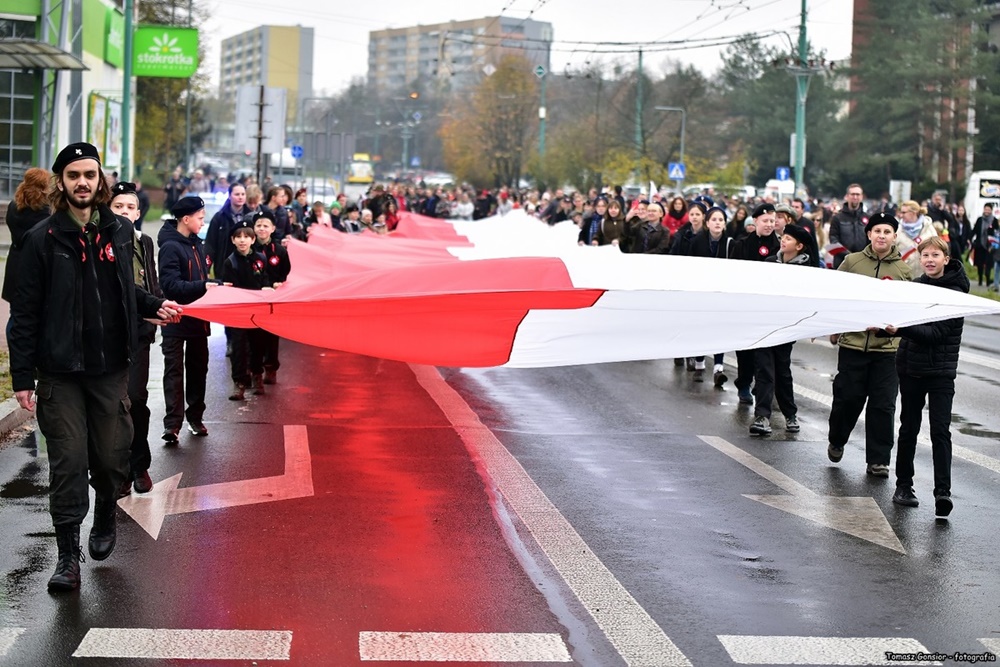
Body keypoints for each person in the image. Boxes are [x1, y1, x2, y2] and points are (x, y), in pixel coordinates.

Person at [9, 143, 180, 592]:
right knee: (67, 462)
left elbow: (127, 292)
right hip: (59, 372)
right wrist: (23, 377)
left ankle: (106, 505)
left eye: (89, 174)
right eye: (73, 175)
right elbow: (23, 313)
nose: (82, 182)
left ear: (100, 180)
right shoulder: (40, 239)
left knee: (110, 459)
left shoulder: (120, 233)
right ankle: (68, 556)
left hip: (108, 369)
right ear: (61, 183)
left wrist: (155, 304)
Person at [883, 237, 967, 517]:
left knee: (940, 431)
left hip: (941, 371)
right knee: (908, 428)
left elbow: (935, 335)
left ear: (946, 259)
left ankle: (943, 492)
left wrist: (900, 330)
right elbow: (899, 321)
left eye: (935, 255)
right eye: (925, 255)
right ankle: (903, 486)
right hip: (910, 368)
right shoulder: (916, 287)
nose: (929, 260)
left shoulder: (956, 293)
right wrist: (881, 327)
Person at [827, 212, 912, 476]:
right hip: (853, 345)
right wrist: (833, 326)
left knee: (883, 404)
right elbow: (836, 296)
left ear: (894, 236)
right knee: (848, 398)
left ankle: (878, 459)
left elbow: (909, 309)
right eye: (877, 231)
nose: (882, 236)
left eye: (887, 232)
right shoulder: (852, 262)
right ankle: (837, 439)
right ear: (869, 235)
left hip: (887, 351)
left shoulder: (904, 271)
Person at [110, 182, 162, 496]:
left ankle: (138, 464)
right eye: (118, 207)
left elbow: (151, 284)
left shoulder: (145, 242)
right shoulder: (101, 242)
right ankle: (117, 472)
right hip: (110, 335)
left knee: (137, 399)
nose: (125, 213)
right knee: (114, 405)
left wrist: (158, 312)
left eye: (130, 207)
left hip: (140, 334)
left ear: (138, 212)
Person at [157, 196, 222, 444]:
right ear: (186, 219)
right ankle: (172, 424)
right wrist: (205, 285)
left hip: (198, 320)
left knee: (198, 370)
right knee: (174, 372)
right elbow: (171, 286)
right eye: (200, 218)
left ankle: (195, 418)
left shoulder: (198, 245)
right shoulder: (170, 247)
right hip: (176, 319)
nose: (203, 222)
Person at [749, 224, 814, 435]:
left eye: (788, 238)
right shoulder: (769, 263)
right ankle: (762, 416)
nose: (782, 240)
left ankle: (790, 413)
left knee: (782, 371)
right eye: (782, 237)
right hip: (765, 324)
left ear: (800, 246)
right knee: (764, 369)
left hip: (787, 327)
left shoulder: (807, 269)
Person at [729, 203, 781, 404]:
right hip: (747, 306)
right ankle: (743, 383)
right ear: (756, 221)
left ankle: (762, 384)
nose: (769, 225)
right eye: (765, 221)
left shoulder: (779, 246)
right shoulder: (741, 245)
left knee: (766, 350)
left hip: (769, 307)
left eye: (772, 221)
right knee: (746, 349)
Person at [223, 220, 271, 399]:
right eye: (238, 237)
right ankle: (239, 382)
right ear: (233, 240)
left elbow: (264, 280)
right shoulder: (230, 262)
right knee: (239, 349)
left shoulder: (260, 259)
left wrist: (266, 288)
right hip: (238, 312)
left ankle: (257, 375)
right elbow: (229, 287)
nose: (242, 240)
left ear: (253, 239)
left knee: (258, 345)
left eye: (246, 237)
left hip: (256, 312)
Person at [685, 205, 732, 385]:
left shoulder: (729, 243)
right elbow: (690, 266)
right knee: (702, 328)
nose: (717, 223)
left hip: (721, 292)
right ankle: (699, 363)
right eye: (714, 219)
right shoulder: (697, 242)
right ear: (707, 223)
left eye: (721, 220)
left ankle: (719, 367)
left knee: (719, 329)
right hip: (702, 291)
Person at [3, 168, 51, 312]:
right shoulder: (46, 212)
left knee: (16, 313)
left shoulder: (14, 206)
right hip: (36, 267)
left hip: (15, 264)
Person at [253, 210, 290, 384]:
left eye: (265, 226)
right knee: (254, 337)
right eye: (258, 225)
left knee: (272, 336)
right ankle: (255, 370)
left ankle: (271, 368)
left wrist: (280, 283)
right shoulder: (248, 249)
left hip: (273, 301)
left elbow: (287, 274)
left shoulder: (280, 251)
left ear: (273, 228)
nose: (261, 229)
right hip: (254, 298)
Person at [204, 182, 250, 271]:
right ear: (229, 196)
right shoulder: (219, 217)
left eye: (243, 194)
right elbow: (210, 244)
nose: (240, 197)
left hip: (247, 268)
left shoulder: (251, 216)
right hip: (224, 266)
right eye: (237, 194)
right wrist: (206, 268)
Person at [829, 183, 869, 268]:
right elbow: (833, 241)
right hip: (842, 263)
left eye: (857, 194)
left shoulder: (868, 218)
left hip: (863, 264)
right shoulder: (837, 218)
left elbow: (871, 241)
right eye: (852, 194)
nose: (855, 197)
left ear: (861, 197)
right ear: (847, 196)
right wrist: (849, 256)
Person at [894, 200, 938, 277]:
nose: (901, 215)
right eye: (901, 212)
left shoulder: (929, 229)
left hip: (925, 278)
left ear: (913, 213)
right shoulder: (897, 230)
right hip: (903, 278)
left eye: (904, 212)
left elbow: (937, 250)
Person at [969, 203, 996, 287]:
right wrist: (969, 238)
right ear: (983, 209)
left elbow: (996, 233)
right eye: (985, 209)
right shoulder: (980, 219)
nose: (987, 211)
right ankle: (980, 280)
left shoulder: (994, 220)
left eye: (988, 209)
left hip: (989, 246)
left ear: (991, 211)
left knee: (988, 264)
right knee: (979, 264)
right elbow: (974, 230)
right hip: (979, 245)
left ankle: (988, 280)